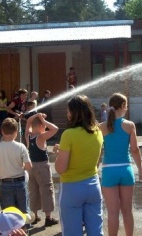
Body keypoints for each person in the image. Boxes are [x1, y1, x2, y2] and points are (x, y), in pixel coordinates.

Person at [54, 95, 103, 236]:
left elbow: (60, 168)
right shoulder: (98, 132)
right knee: (96, 231)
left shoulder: (68, 134)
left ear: (74, 113)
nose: (67, 114)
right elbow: (97, 161)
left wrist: (59, 152)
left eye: (68, 110)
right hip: (93, 186)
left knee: (72, 232)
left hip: (71, 188)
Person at [100, 92, 142, 236]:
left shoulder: (101, 127)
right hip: (126, 170)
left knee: (112, 212)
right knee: (127, 210)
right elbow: (135, 150)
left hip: (108, 171)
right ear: (123, 106)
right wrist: (141, 170)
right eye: (126, 106)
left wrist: (95, 167)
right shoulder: (130, 125)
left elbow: (98, 150)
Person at [0, 118, 32, 220]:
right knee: (23, 213)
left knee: (8, 215)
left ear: (2, 131)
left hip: (5, 183)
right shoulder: (21, 146)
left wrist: (1, 169)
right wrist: (20, 166)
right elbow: (28, 166)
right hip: (20, 182)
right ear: (16, 132)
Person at [25, 113, 59, 227]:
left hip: (31, 167)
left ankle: (35, 215)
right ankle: (48, 217)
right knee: (46, 189)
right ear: (41, 126)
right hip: (42, 166)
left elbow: (29, 122)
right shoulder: (41, 136)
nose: (45, 127)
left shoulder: (28, 135)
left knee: (33, 190)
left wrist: (36, 117)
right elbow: (55, 129)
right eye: (43, 126)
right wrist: (42, 119)